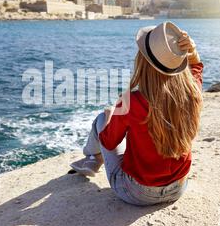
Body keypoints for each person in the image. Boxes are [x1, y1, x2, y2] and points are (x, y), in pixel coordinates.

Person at [70, 22, 204, 206]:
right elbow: (196, 67)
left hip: (138, 193)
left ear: (142, 61)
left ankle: (91, 159)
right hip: (177, 187)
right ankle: (91, 159)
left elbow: (109, 142)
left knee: (102, 118)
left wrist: (111, 116)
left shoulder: (131, 100)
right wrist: (192, 50)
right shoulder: (192, 91)